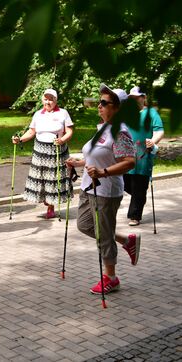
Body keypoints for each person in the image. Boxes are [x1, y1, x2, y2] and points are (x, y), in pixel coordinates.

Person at [66, 84, 139, 295]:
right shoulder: (104, 128)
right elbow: (95, 155)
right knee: (84, 224)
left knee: (103, 235)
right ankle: (126, 240)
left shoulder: (120, 133)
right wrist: (78, 162)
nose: (99, 106)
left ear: (118, 108)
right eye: (100, 102)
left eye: (104, 103)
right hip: (90, 186)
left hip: (106, 190)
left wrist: (104, 172)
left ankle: (111, 278)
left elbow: (129, 161)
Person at [12, 89, 74, 219]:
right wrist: (20, 139)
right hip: (39, 150)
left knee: (53, 178)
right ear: (42, 100)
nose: (48, 101)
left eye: (51, 99)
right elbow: (31, 132)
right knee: (40, 177)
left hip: (56, 150)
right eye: (45, 99)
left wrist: (62, 140)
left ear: (56, 100)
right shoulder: (38, 114)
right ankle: (46, 200)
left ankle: (51, 206)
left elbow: (69, 131)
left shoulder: (63, 113)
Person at [123, 86, 164, 226]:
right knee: (126, 183)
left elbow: (159, 131)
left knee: (139, 185)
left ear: (143, 98)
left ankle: (135, 215)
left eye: (137, 97)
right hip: (126, 154)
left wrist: (153, 141)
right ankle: (138, 198)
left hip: (143, 156)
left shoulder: (151, 113)